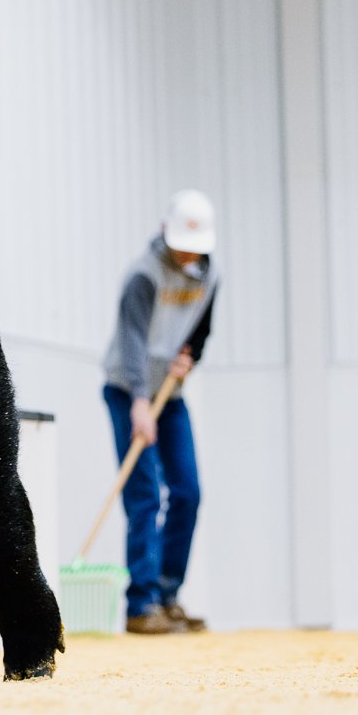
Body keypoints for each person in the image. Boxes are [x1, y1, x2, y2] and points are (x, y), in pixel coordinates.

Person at [101, 189, 220, 635]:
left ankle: (168, 596)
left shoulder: (211, 274)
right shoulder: (143, 275)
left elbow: (201, 328)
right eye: (181, 244)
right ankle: (141, 604)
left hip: (169, 395)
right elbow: (132, 337)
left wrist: (192, 356)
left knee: (187, 491)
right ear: (165, 232)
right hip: (127, 390)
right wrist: (138, 401)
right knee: (145, 494)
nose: (188, 253)